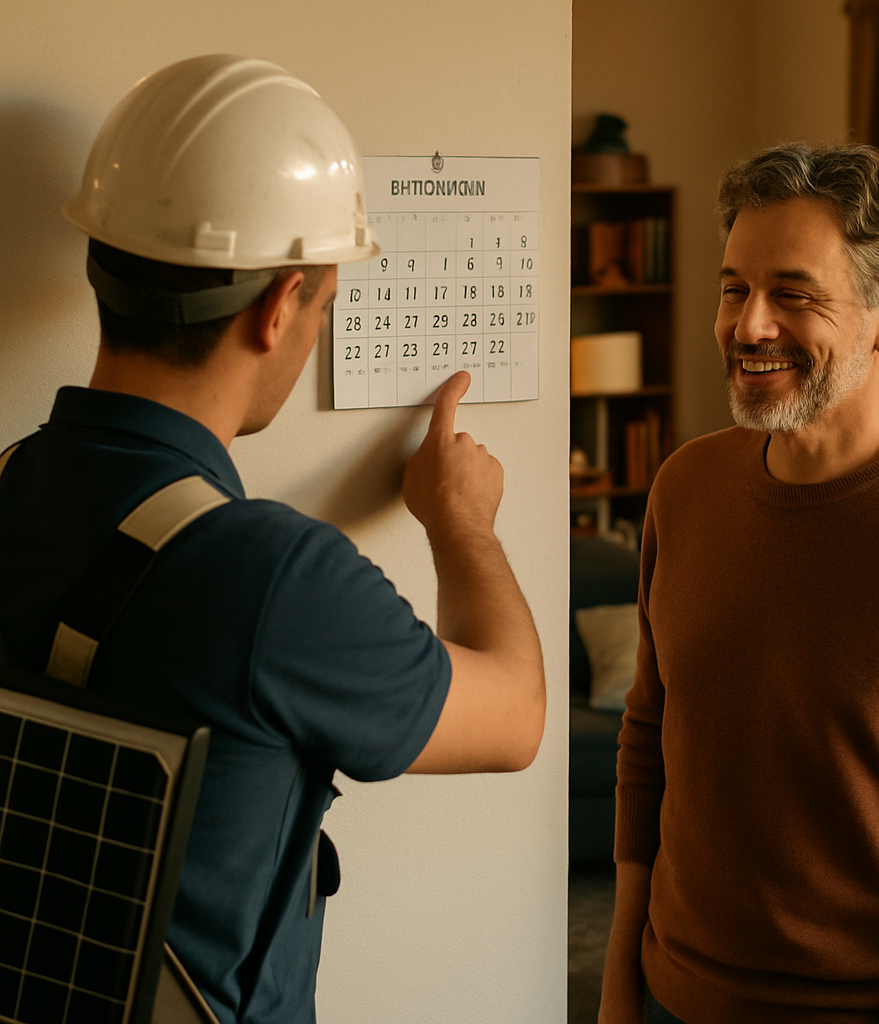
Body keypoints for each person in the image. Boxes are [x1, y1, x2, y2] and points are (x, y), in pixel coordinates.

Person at [0, 55, 544, 1024]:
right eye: (324, 303)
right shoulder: (271, 575)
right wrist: (462, 526)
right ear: (279, 305)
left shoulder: (8, 483)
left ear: (100, 260)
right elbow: (514, 718)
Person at [599, 142, 879, 1024]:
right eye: (732, 288)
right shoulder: (685, 488)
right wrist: (614, 991)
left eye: (793, 294)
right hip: (667, 997)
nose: (747, 326)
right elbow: (649, 738)